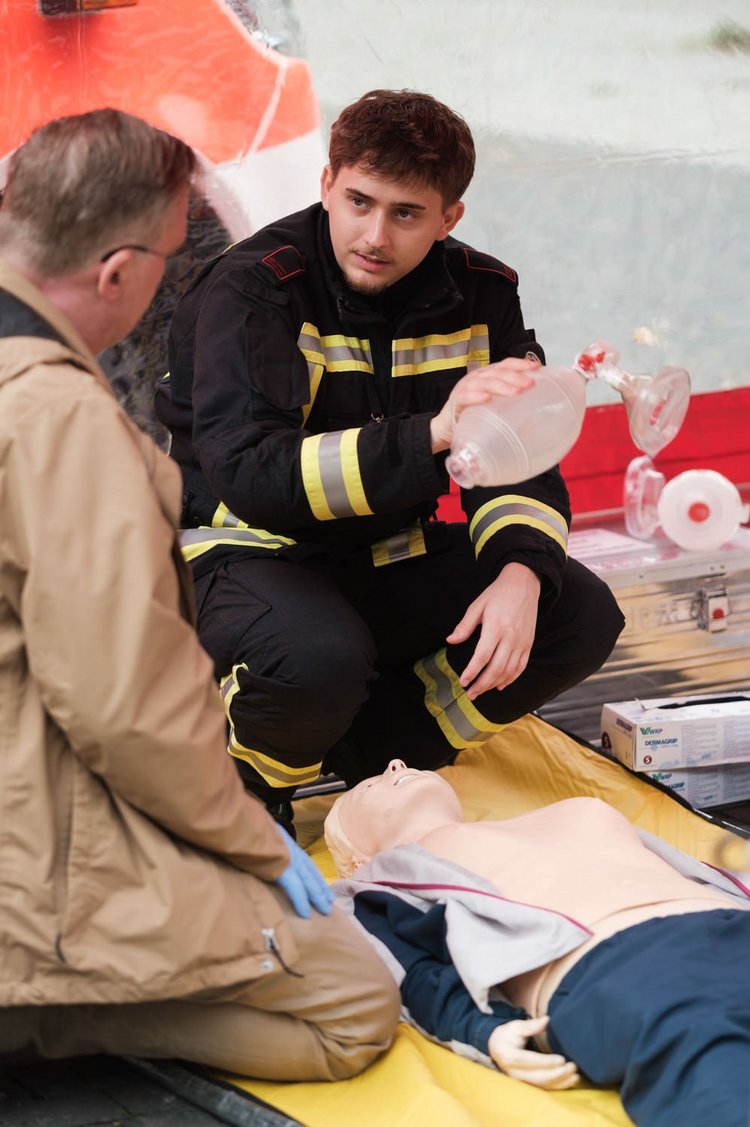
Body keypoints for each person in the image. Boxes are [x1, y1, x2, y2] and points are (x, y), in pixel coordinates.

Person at [0, 108, 399, 1080]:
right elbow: (121, 706)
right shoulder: (59, 420)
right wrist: (252, 837)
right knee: (356, 1000)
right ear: (120, 273)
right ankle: (48, 1015)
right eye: (177, 261)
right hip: (35, 834)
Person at [156, 88, 625, 829]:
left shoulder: (485, 293)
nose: (374, 234)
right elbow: (253, 477)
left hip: (382, 553)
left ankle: (380, 763)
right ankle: (241, 792)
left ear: (449, 219)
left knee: (579, 610)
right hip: (241, 551)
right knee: (317, 656)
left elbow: (518, 454)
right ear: (326, 185)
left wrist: (522, 570)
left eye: (406, 214)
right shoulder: (253, 287)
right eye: (359, 201)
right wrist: (432, 433)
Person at [324, 760, 750, 1126]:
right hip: (624, 972)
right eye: (369, 785)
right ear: (357, 857)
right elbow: (409, 971)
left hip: (727, 923)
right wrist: (482, 1029)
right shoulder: (370, 885)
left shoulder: (556, 813)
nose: (395, 764)